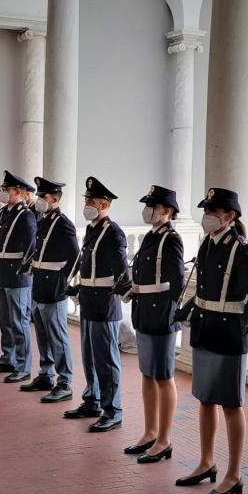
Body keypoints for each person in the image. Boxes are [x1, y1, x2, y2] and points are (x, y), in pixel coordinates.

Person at [174, 188, 248, 494]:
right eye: (207, 210)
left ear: (230, 216)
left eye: (214, 211)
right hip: (205, 330)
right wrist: (184, 312)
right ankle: (206, 462)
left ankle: (234, 474)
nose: (208, 216)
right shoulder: (207, 246)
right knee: (205, 399)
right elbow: (202, 291)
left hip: (229, 334)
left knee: (230, 404)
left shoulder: (243, 251)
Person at [63, 176, 130, 432]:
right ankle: (92, 400)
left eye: (92, 200)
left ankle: (113, 410)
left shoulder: (114, 233)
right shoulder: (92, 230)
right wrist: (79, 286)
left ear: (105, 205)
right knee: (90, 357)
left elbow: (121, 272)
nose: (87, 204)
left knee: (106, 360)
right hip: (89, 301)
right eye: (86, 199)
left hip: (105, 304)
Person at [124, 185, 184, 462]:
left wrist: (166, 311)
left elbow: (177, 285)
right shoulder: (151, 237)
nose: (147, 210)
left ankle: (164, 439)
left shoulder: (171, 239)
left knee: (163, 377)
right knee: (148, 375)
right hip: (144, 313)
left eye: (152, 205)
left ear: (167, 211)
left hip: (160, 316)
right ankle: (149, 432)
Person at [20, 177, 79, 402]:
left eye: (42, 197)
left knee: (58, 337)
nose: (39, 200)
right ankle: (46, 374)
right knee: (43, 334)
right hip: (39, 286)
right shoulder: (43, 220)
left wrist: (63, 282)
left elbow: (76, 258)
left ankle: (64, 382)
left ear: (54, 199)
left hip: (54, 289)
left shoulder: (63, 223)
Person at [0, 171, 37, 383]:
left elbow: (32, 245)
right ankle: (8, 358)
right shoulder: (6, 213)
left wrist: (23, 269)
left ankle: (23, 366)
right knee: (5, 319)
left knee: (18, 321)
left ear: (19, 193)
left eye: (8, 190)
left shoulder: (26, 215)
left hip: (17, 275)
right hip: (3, 272)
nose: (4, 193)